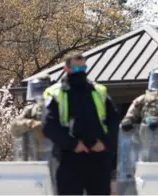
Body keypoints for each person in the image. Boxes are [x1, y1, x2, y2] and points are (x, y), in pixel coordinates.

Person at [42, 52, 119, 195]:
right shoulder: (56, 92)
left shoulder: (98, 90)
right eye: (77, 69)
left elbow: (114, 120)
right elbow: (48, 125)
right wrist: (73, 144)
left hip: (98, 156)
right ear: (66, 69)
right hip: (69, 157)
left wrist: (105, 142)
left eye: (84, 69)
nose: (81, 72)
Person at [10, 76, 53, 161]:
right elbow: (14, 127)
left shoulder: (57, 108)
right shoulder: (31, 110)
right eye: (36, 89)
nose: (39, 92)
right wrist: (29, 123)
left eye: (41, 88)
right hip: (33, 157)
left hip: (55, 157)